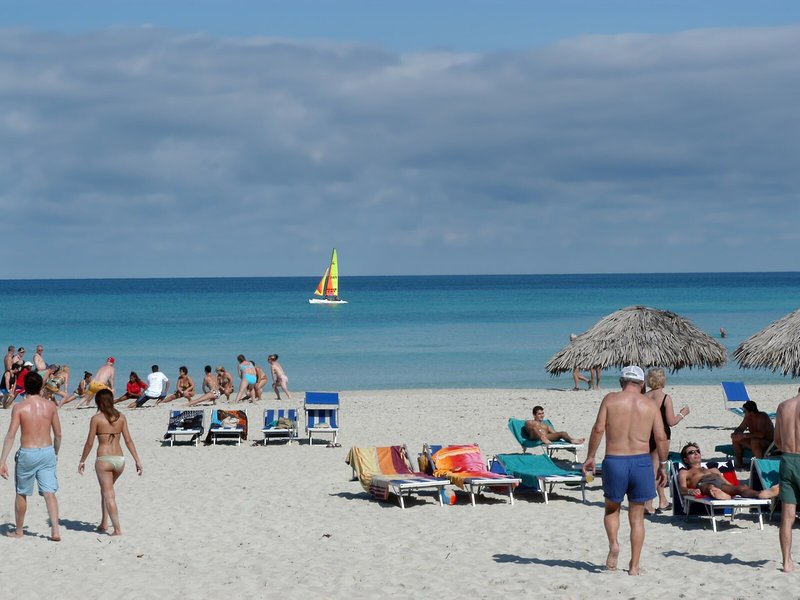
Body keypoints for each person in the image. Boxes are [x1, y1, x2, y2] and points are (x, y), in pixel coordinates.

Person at [583, 365, 668, 576]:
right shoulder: (649, 405)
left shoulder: (610, 399)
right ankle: (634, 566)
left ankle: (613, 545)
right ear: (642, 384)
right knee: (637, 517)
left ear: (622, 382)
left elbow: (598, 428)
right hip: (641, 461)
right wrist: (663, 464)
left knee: (612, 509)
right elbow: (660, 437)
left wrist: (591, 456)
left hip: (615, 460)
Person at [0, 372, 62, 541]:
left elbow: (11, 435)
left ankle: (19, 530)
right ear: (41, 386)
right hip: (47, 450)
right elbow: (58, 435)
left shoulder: (20, 407)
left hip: (28, 453)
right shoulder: (50, 406)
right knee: (49, 492)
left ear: (25, 386)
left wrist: (2, 460)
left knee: (22, 492)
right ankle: (55, 530)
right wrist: (55, 452)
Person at [77, 388, 142, 536]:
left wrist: (82, 461)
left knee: (108, 494)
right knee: (106, 491)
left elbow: (89, 443)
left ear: (98, 402)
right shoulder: (121, 417)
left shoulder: (96, 419)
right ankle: (104, 523)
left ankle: (117, 529)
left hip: (104, 460)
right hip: (120, 460)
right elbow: (128, 440)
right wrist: (137, 460)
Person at [644, 367, 690, 514]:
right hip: (662, 434)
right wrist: (683, 414)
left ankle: (662, 501)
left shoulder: (644, 397)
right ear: (662, 380)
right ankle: (648, 504)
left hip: (646, 434)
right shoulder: (665, 398)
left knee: (654, 468)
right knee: (657, 469)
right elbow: (671, 421)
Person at [677, 442, 778, 500]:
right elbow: (681, 489)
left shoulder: (713, 470)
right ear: (685, 459)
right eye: (691, 452)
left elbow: (727, 483)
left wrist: (736, 488)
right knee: (709, 487)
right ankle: (718, 493)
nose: (696, 453)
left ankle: (760, 494)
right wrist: (690, 491)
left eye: (697, 451)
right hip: (703, 484)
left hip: (720, 484)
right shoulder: (685, 472)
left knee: (740, 487)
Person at [774, 386, 800, 572]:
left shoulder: (783, 406)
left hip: (787, 459)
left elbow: (777, 440)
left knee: (787, 517)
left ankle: (787, 563)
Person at [731, 400, 774, 468]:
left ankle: (760, 466)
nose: (743, 412)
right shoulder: (747, 418)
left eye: (745, 411)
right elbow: (741, 428)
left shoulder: (762, 417)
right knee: (736, 439)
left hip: (768, 443)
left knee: (754, 441)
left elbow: (761, 434)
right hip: (755, 442)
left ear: (751, 412)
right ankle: (740, 463)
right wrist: (735, 434)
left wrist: (744, 436)